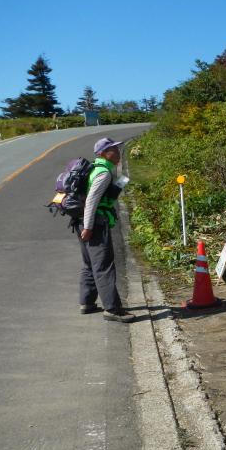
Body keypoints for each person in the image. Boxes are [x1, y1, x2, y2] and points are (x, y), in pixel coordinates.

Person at [78, 137, 135, 323]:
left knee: (89, 264)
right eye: (113, 149)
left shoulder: (96, 168)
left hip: (82, 221)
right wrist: (88, 227)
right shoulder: (103, 173)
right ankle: (112, 309)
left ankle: (87, 303)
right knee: (103, 266)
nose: (117, 152)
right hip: (94, 223)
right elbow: (91, 201)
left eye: (118, 149)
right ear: (103, 153)